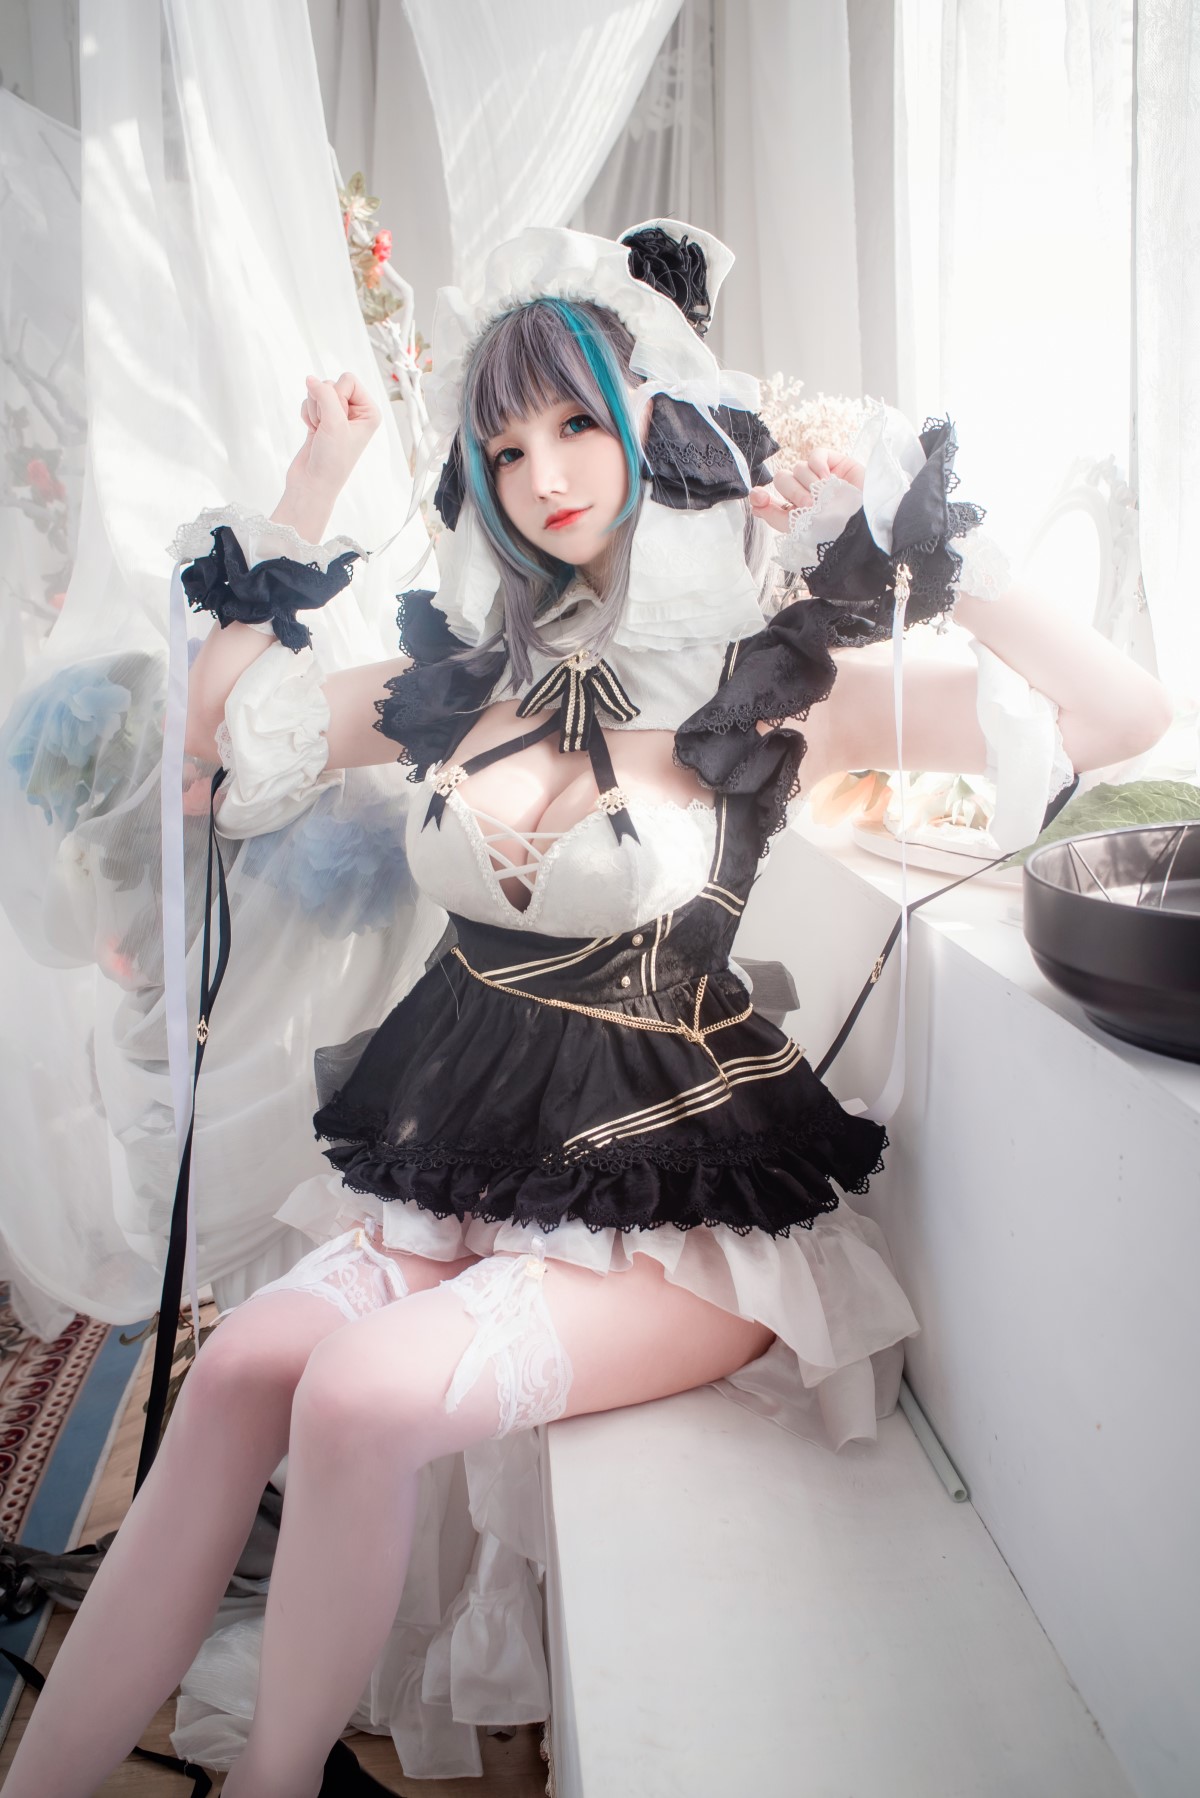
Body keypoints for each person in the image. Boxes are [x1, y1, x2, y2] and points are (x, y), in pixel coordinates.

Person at [1, 222, 1171, 1798]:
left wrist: (914, 512)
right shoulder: (468, 683)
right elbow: (211, 760)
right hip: (463, 1171)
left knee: (351, 1393)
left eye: (574, 423)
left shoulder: (770, 685)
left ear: (648, 424)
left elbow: (1120, 713)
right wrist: (313, 478)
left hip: (685, 1213)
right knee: (232, 1374)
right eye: (504, 445)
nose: (543, 473)